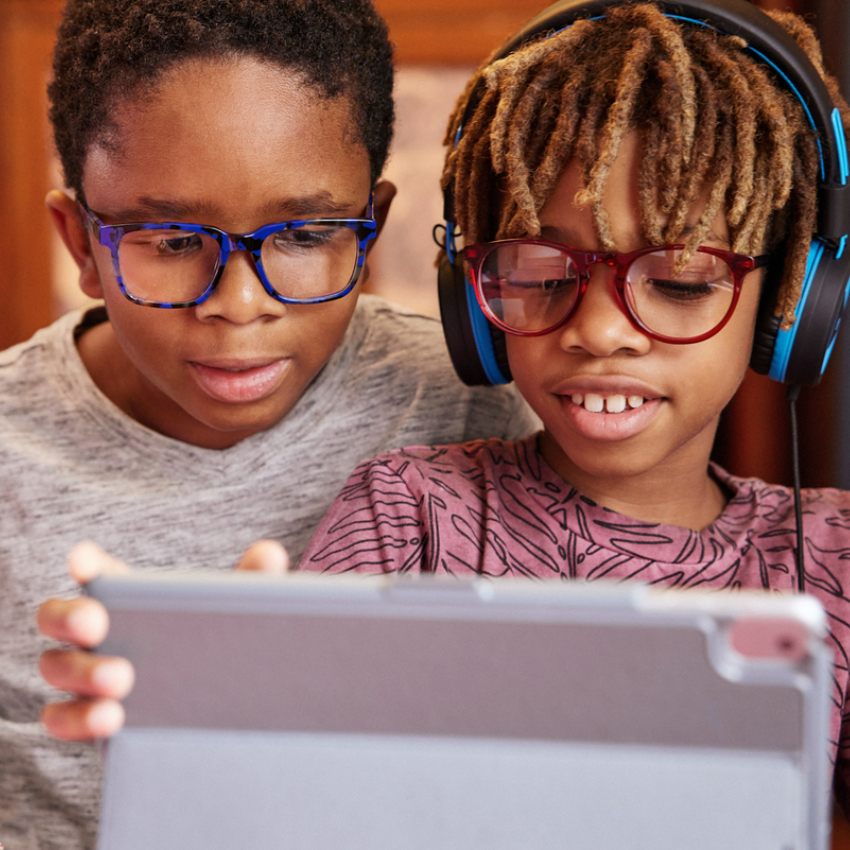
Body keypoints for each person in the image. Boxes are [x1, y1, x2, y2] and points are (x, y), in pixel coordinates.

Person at [294, 0, 850, 813]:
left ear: (792, 306)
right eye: (538, 267)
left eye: (681, 279)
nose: (597, 330)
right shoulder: (406, 518)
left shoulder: (832, 562)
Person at [3, 0, 537, 847]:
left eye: (306, 233)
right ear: (81, 245)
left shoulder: (469, 405)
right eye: (173, 242)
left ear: (370, 233)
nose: (239, 305)